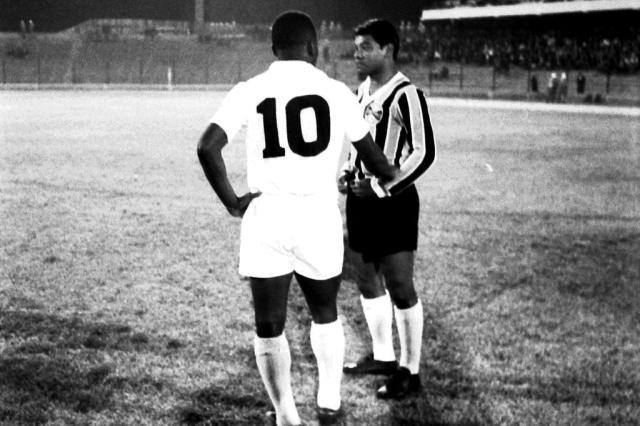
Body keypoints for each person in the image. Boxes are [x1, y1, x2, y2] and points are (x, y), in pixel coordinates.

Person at [196, 11, 396, 426]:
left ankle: (287, 416)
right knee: (326, 312)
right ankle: (328, 399)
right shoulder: (337, 91)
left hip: (266, 215)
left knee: (269, 325)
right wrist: (392, 175)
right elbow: (376, 160)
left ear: (274, 49)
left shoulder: (250, 89)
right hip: (316, 215)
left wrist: (234, 202)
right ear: (313, 47)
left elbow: (207, 147)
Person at [339, 19, 436, 400]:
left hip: (393, 202)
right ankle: (383, 355)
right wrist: (349, 172)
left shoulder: (406, 94)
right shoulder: (361, 91)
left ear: (388, 50)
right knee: (365, 279)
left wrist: (382, 186)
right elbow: (356, 139)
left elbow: (424, 152)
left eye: (365, 47)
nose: (356, 53)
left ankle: (410, 371)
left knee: (399, 285)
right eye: (356, 46)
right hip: (360, 200)